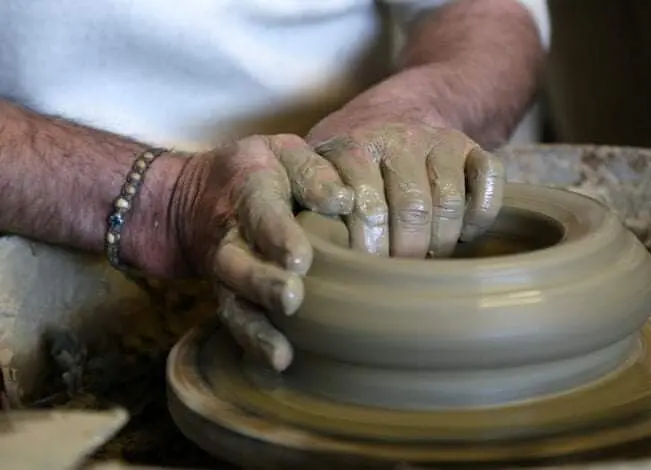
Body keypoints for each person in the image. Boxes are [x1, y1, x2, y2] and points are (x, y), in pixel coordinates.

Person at [0, 0, 549, 372]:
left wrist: (412, 108)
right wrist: (165, 204)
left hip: (339, 210)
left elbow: (488, 14)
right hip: (52, 207)